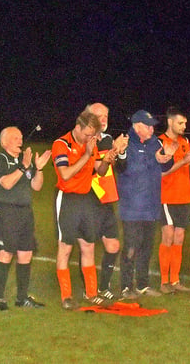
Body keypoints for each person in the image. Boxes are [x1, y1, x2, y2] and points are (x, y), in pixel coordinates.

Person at [52, 110, 110, 309]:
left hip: (85, 199)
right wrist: (86, 154)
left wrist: (109, 157)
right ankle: (66, 296)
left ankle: (91, 293)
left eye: (92, 136)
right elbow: (65, 174)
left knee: (88, 245)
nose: (90, 139)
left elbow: (99, 171)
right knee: (66, 248)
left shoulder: (89, 144)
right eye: (87, 134)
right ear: (78, 128)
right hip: (67, 199)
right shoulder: (61, 144)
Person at [0, 127, 51, 310]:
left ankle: (22, 298)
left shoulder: (25, 160)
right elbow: (6, 184)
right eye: (15, 138)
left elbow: (37, 186)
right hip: (6, 211)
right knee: (6, 253)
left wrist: (38, 169)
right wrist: (22, 167)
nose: (20, 141)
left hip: (25, 212)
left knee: (26, 254)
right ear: (5, 142)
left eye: (21, 137)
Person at [115, 110, 174, 299]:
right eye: (148, 125)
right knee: (131, 247)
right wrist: (153, 159)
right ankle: (126, 286)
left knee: (146, 247)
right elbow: (124, 168)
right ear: (137, 126)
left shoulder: (155, 142)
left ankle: (142, 284)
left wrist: (167, 157)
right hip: (132, 206)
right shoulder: (125, 142)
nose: (152, 128)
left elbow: (164, 166)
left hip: (151, 205)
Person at [86, 103, 127, 300]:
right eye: (99, 115)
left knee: (113, 246)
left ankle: (103, 286)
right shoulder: (86, 140)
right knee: (88, 247)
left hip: (106, 198)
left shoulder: (108, 139)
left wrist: (121, 152)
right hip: (88, 199)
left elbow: (121, 167)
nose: (104, 119)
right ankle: (90, 290)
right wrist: (110, 151)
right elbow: (90, 168)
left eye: (106, 115)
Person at [158, 108, 190, 293]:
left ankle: (175, 280)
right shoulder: (159, 142)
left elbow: (186, 169)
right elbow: (161, 172)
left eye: (185, 123)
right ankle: (164, 281)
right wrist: (184, 161)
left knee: (179, 237)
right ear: (170, 122)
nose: (184, 126)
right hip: (166, 196)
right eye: (180, 123)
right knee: (167, 236)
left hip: (184, 196)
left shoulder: (185, 141)